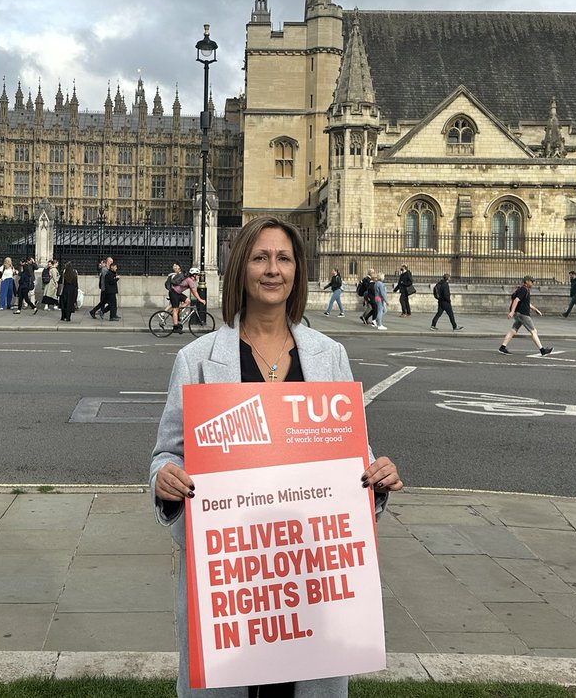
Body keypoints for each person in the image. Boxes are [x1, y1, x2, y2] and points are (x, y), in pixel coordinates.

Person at [149, 215, 402, 698]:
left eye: (283, 258)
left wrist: (377, 477)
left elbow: (354, 460)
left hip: (307, 579)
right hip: (237, 586)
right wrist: (165, 479)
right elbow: (166, 454)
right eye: (260, 257)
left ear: (297, 271)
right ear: (241, 268)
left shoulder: (329, 356)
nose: (272, 269)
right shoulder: (198, 359)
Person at [499, 276, 552, 356]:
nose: (532, 283)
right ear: (526, 281)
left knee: (513, 330)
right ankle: (542, 350)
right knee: (533, 331)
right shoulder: (523, 289)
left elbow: (527, 304)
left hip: (519, 314)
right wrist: (512, 311)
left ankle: (502, 347)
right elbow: (516, 300)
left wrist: (536, 310)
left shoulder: (524, 290)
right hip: (523, 314)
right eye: (531, 281)